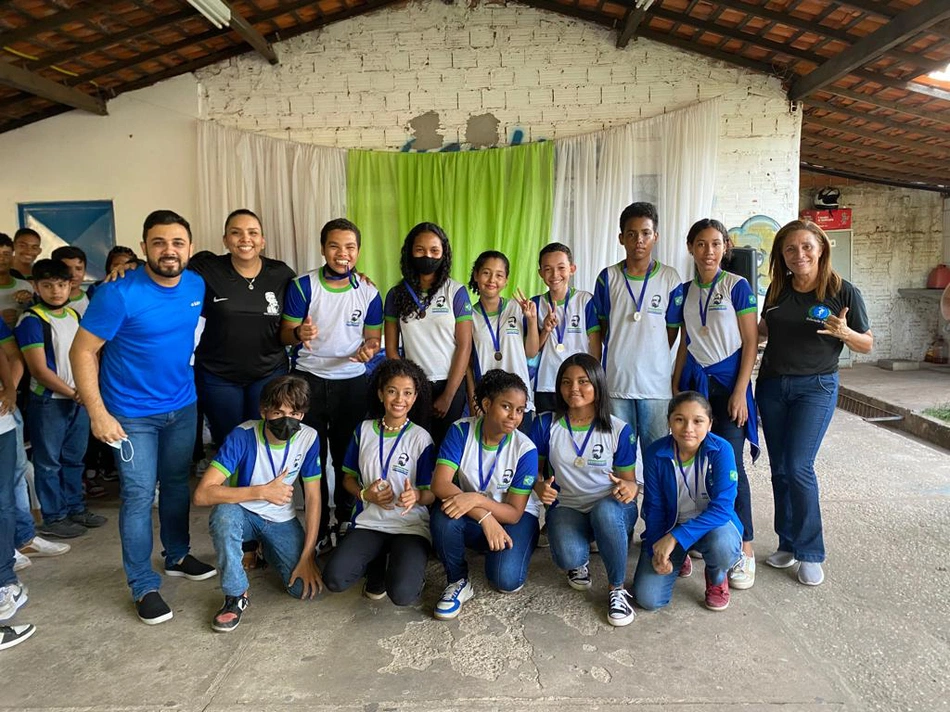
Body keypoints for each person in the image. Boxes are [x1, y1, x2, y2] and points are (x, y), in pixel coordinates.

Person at [71, 209, 217, 625]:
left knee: (176, 484)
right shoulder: (118, 293)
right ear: (143, 248)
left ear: (189, 247)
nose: (169, 250)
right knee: (138, 496)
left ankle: (177, 555)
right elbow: (82, 351)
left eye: (177, 243)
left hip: (182, 406)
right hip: (131, 415)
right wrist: (98, 413)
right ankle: (142, 584)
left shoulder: (195, 284)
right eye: (159, 243)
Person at [756, 219, 873, 586]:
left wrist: (846, 332)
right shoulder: (777, 289)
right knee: (779, 468)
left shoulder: (843, 291)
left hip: (816, 387)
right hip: (772, 386)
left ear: (821, 248)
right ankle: (787, 543)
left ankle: (810, 551)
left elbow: (867, 343)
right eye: (790, 249)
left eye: (807, 246)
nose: (799, 254)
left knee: (798, 466)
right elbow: (763, 331)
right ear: (782, 256)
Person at [281, 218, 381, 549]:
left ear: (358, 251)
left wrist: (369, 349)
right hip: (307, 381)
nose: (342, 253)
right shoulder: (302, 286)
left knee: (346, 457)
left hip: (351, 384)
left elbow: (374, 338)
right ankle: (320, 524)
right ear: (323, 249)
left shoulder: (368, 291)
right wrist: (299, 333)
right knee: (312, 458)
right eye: (335, 246)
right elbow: (285, 334)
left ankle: (347, 519)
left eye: (350, 247)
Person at [193, 375, 323, 632]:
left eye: (295, 413)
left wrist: (307, 555)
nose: (287, 420)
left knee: (301, 589)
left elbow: (313, 498)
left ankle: (265, 547)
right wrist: (262, 492)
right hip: (242, 512)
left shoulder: (309, 438)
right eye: (278, 412)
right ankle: (235, 595)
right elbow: (202, 494)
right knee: (224, 516)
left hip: (280, 519)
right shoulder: (243, 435)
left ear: (302, 414)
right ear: (264, 411)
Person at [670, 218, 759, 588]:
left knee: (731, 463)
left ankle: (745, 548)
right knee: (694, 461)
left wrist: (740, 391)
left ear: (726, 248)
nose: (709, 251)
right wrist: (676, 384)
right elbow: (685, 342)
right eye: (702, 244)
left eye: (716, 244)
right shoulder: (683, 292)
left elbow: (750, 342)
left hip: (729, 386)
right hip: (696, 386)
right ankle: (703, 535)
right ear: (691, 247)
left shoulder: (737, 286)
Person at [531, 354, 639, 626]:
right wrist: (539, 486)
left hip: (609, 506)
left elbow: (630, 482)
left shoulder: (618, 429)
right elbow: (535, 472)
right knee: (569, 556)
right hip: (567, 505)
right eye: (566, 382)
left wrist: (629, 488)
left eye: (583, 381)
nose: (574, 389)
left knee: (605, 513)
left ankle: (617, 589)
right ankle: (583, 553)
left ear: (597, 385)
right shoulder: (544, 424)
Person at [323, 359, 435, 605]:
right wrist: (365, 494)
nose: (399, 399)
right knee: (334, 578)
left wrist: (416, 496)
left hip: (409, 526)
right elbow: (348, 478)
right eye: (392, 391)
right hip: (370, 523)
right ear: (381, 393)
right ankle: (376, 565)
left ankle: (408, 570)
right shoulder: (363, 431)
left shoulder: (421, 438)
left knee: (403, 595)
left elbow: (431, 493)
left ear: (415, 397)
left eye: (407, 393)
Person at [430, 370, 539, 620]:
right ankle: (458, 581)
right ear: (487, 404)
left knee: (506, 580)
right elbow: (440, 484)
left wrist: (478, 499)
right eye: (506, 406)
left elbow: (514, 513)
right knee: (443, 517)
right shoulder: (461, 431)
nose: (513, 416)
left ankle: (517, 545)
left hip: (514, 518)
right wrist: (485, 517)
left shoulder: (525, 449)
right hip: (476, 514)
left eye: (520, 410)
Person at [15, 259, 106, 539]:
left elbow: (89, 355)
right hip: (50, 402)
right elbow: (39, 370)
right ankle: (54, 517)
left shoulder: (74, 316)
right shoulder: (31, 320)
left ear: (70, 286)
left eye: (61, 285)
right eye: (48, 285)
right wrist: (75, 393)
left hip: (78, 400)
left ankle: (75, 508)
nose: (56, 291)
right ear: (36, 287)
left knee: (74, 458)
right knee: (48, 462)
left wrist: (87, 391)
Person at [192, 209, 296, 448]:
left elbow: (313, 289)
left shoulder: (281, 273)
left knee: (263, 438)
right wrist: (131, 269)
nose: (245, 239)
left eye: (252, 233)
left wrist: (352, 275)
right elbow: (168, 274)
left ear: (262, 240)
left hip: (269, 372)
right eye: (236, 233)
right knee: (229, 441)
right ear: (225, 240)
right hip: (218, 376)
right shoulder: (207, 270)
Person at [632, 391, 743, 612]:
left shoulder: (721, 450)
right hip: (671, 526)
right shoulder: (656, 453)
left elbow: (722, 509)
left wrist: (675, 537)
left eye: (698, 421)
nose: (688, 428)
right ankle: (679, 556)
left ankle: (716, 575)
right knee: (647, 599)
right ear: (669, 422)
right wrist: (657, 549)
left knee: (723, 545)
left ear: (710, 424)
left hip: (712, 527)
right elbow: (654, 508)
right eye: (680, 419)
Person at [593, 202, 681, 459]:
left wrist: (651, 352)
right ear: (621, 238)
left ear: (656, 236)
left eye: (645, 233)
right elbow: (603, 327)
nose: (639, 240)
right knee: (620, 454)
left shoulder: (670, 278)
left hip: (656, 385)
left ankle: (655, 491)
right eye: (631, 234)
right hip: (617, 382)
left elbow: (671, 331)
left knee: (657, 454)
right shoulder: (608, 277)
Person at [384, 222, 473, 448]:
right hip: (414, 386)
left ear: (444, 254)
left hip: (450, 382)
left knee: (446, 450)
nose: (427, 256)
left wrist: (448, 395)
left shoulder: (456, 291)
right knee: (416, 448)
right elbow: (392, 350)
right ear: (410, 253)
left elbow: (464, 345)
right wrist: (408, 387)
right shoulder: (396, 294)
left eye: (434, 250)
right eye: (420, 250)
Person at [466, 250, 539, 431]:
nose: (492, 280)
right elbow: (468, 364)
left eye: (499, 275)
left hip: (519, 400)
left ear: (506, 280)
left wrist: (531, 320)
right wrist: (473, 400)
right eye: (486, 273)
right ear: (476, 275)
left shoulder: (517, 308)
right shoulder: (468, 316)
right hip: (488, 401)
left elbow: (531, 352)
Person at [531, 243, 600, 414]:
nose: (555, 274)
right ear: (540, 273)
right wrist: (545, 330)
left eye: (561, 268)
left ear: (572, 269)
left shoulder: (585, 300)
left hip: (579, 385)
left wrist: (594, 379)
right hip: (547, 384)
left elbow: (595, 344)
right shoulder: (535, 304)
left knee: (578, 426)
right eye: (548, 269)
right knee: (547, 428)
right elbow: (531, 351)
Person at [0, 330, 34, 649]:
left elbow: (4, 354)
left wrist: (9, 388)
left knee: (3, 502)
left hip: (1, 424)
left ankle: (5, 581)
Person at [0, 234, 33, 328]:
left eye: (6, 254)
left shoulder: (25, 286)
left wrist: (28, 301)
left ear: (13, 257)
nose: (1, 259)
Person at [50, 246, 90, 316]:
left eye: (79, 269)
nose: (73, 274)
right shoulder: (41, 302)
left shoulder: (93, 299)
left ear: (85, 272)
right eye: (67, 269)